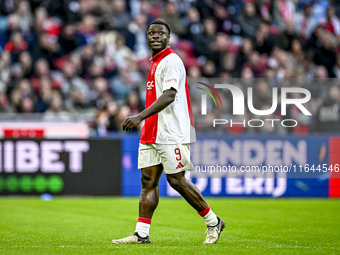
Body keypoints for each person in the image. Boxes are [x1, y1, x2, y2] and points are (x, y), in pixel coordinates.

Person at [112, 20, 224, 244]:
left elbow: (170, 95)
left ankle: (214, 222)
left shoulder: (171, 60)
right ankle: (141, 233)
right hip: (153, 130)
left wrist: (139, 116)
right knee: (148, 181)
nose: (155, 35)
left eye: (160, 32)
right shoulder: (155, 62)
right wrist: (145, 121)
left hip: (171, 130)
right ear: (146, 38)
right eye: (151, 32)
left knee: (176, 180)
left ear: (168, 37)